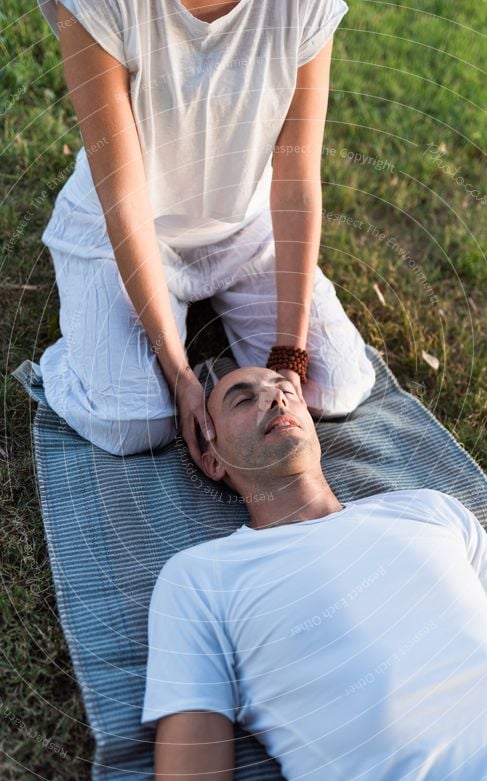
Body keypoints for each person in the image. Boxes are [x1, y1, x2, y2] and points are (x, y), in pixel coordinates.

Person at [141, 365, 487, 781]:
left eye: (285, 389)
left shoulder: (432, 510)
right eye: (243, 398)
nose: (276, 399)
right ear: (213, 460)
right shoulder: (200, 578)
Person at [36, 0, 376, 464]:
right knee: (134, 421)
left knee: (336, 385)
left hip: (246, 231)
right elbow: (124, 200)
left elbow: (296, 181)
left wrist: (289, 356)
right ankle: (77, 348)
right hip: (122, 232)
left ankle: (192, 313)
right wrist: (180, 376)